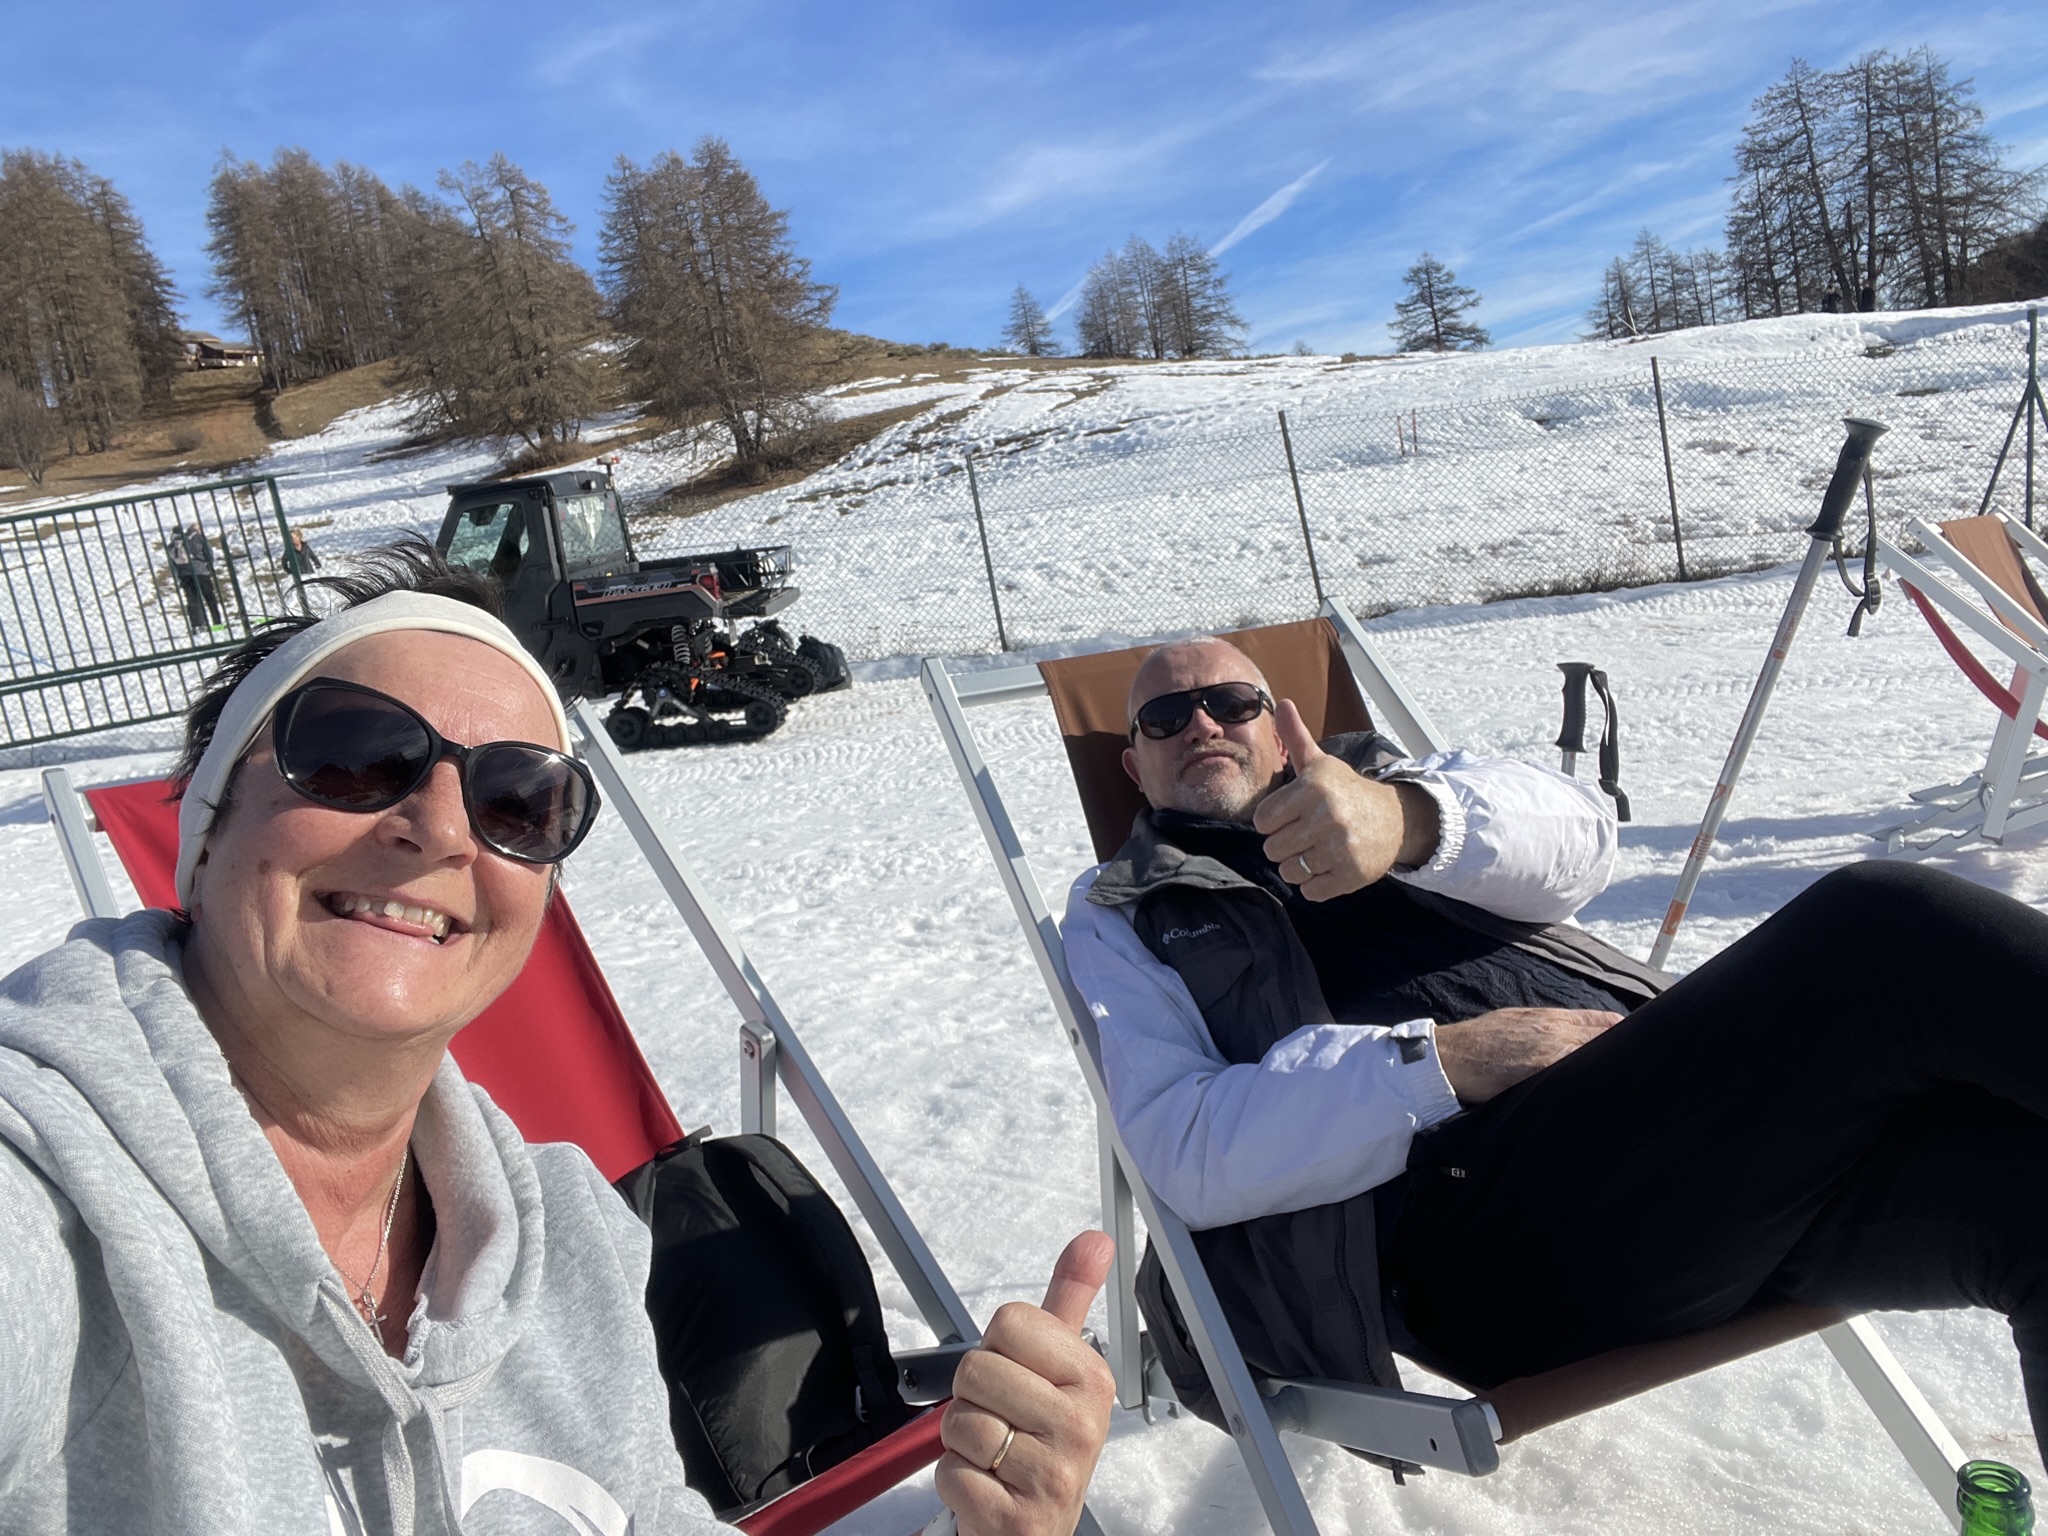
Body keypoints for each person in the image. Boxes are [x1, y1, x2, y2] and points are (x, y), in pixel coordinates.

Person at [0, 541, 1115, 1536]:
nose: (442, 829)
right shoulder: (48, 1203)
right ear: (204, 827)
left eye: (516, 800)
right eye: (353, 755)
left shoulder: (567, 1242)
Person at [1063, 635, 2048, 1448]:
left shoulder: (1387, 786)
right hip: (1486, 1243)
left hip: (1696, 1170)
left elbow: (1582, 839)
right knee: (1883, 928)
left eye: (1231, 702)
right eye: (1164, 717)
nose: (1202, 725)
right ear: (1134, 767)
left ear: (1280, 725)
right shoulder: (1127, 913)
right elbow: (1183, 1147)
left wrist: (1405, 820)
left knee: (2028, 1199)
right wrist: (1444, 1062)